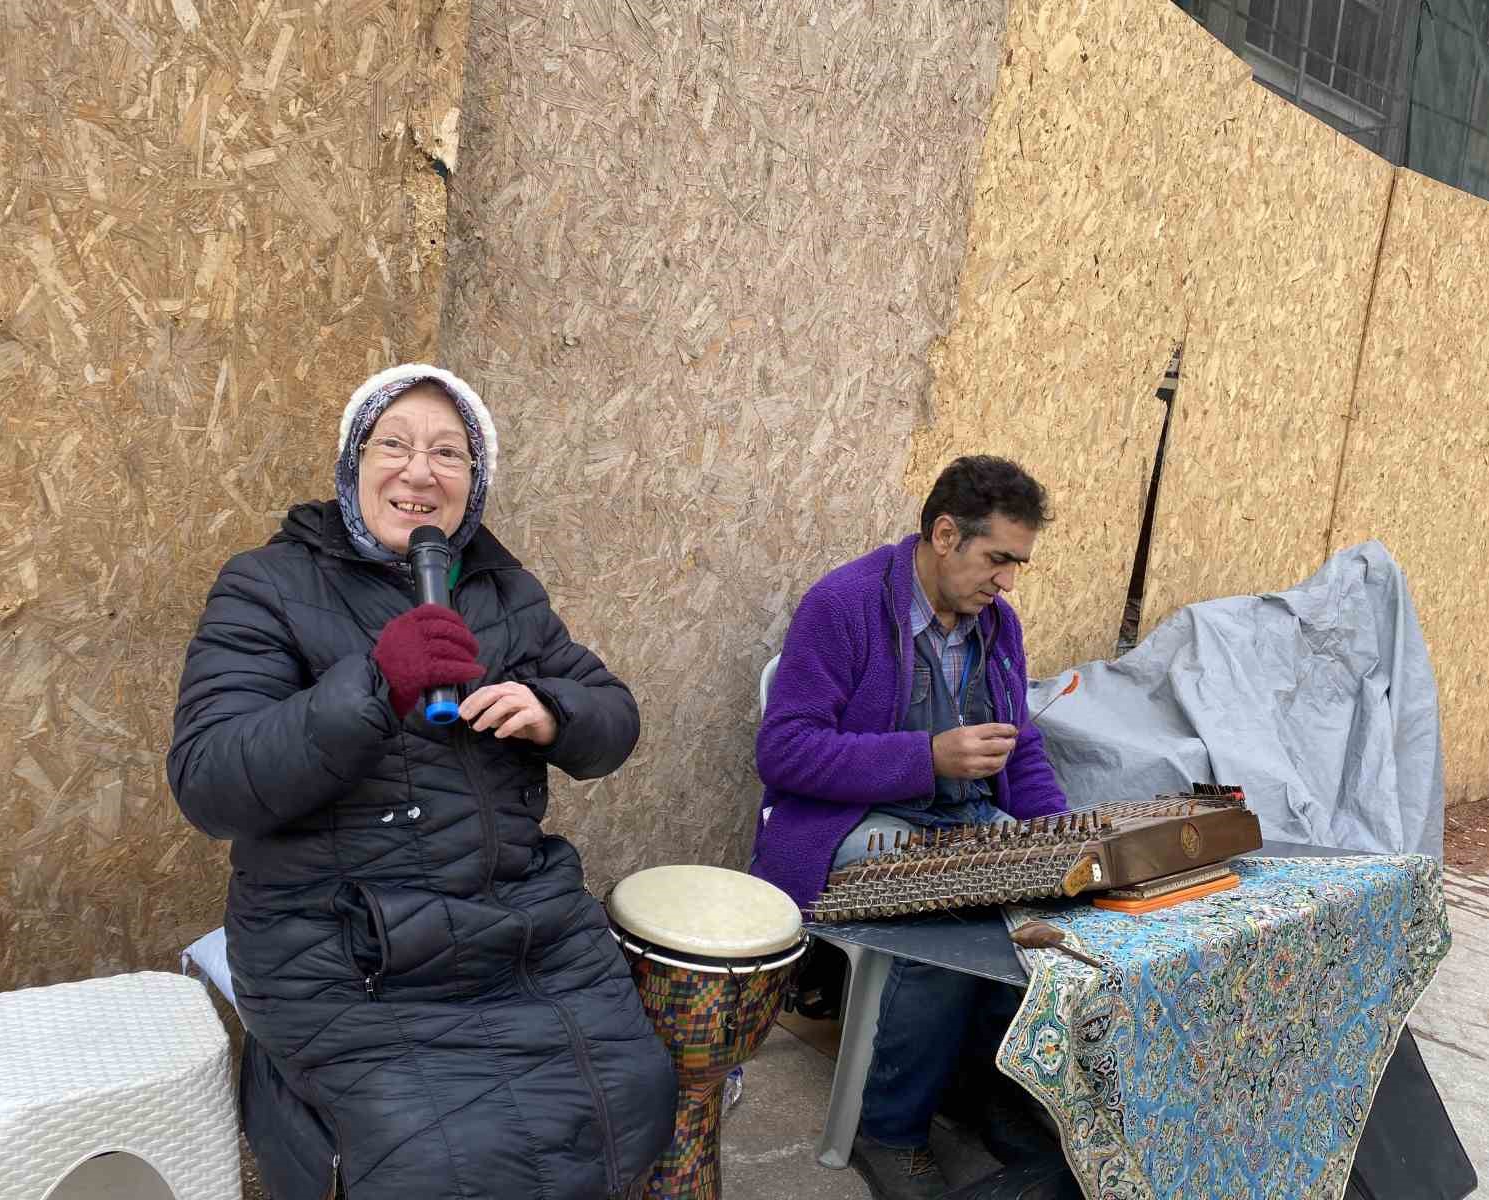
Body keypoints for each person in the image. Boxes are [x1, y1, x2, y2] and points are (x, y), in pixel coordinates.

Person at [168, 364, 675, 1200]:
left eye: (449, 454)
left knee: (635, 1092)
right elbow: (209, 780)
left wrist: (553, 710)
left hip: (518, 925)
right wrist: (373, 682)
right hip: (342, 944)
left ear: (473, 486)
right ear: (352, 465)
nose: (418, 471)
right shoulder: (267, 586)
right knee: (439, 1161)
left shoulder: (503, 589)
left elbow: (613, 715)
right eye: (393, 445)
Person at [751, 455, 1070, 1200]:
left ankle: (983, 1091)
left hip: (952, 824)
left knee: (1046, 905)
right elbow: (785, 749)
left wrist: (1057, 839)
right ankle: (887, 1129)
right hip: (843, 825)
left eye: (1019, 564)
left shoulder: (999, 626)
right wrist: (926, 757)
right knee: (948, 914)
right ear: (945, 533)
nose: (1008, 582)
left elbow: (1020, 744)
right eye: (998, 560)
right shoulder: (845, 605)